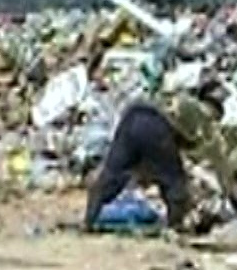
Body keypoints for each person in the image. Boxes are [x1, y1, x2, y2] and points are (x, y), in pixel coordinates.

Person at [82, 92, 224, 234]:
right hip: (157, 126)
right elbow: (192, 145)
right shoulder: (200, 117)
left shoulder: (182, 99)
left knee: (111, 173)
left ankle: (89, 220)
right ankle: (176, 226)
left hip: (131, 117)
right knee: (173, 181)